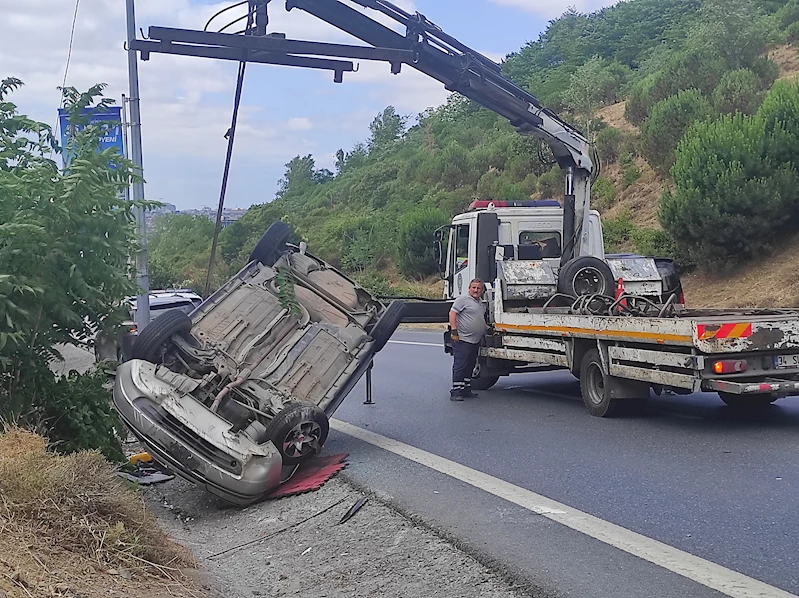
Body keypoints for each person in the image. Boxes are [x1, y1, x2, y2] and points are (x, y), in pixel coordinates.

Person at [448, 279, 487, 401]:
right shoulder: (463, 299)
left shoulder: (480, 303)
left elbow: (479, 319)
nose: (476, 290)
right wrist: (454, 330)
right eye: (473, 288)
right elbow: (452, 313)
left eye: (478, 288)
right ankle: (456, 391)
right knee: (460, 365)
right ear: (469, 288)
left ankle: (465, 389)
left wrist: (488, 328)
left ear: (482, 290)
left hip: (474, 341)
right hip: (463, 339)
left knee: (470, 365)